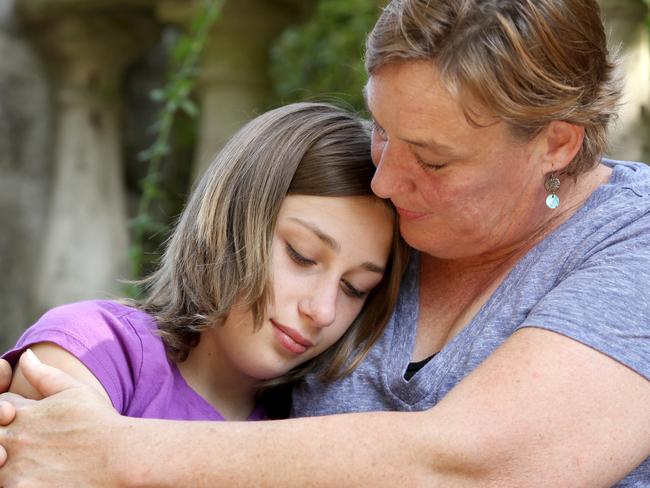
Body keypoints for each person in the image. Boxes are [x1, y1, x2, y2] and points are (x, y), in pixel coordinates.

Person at [0, 0, 649, 486]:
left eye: (432, 158)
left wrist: (110, 452)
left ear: (556, 145)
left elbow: (484, 465)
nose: (387, 180)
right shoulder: (382, 217)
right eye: (383, 130)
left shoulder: (631, 239)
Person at [0, 102, 408, 422]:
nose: (321, 311)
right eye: (301, 255)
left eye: (355, 289)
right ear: (231, 218)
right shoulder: (96, 348)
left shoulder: (314, 424)